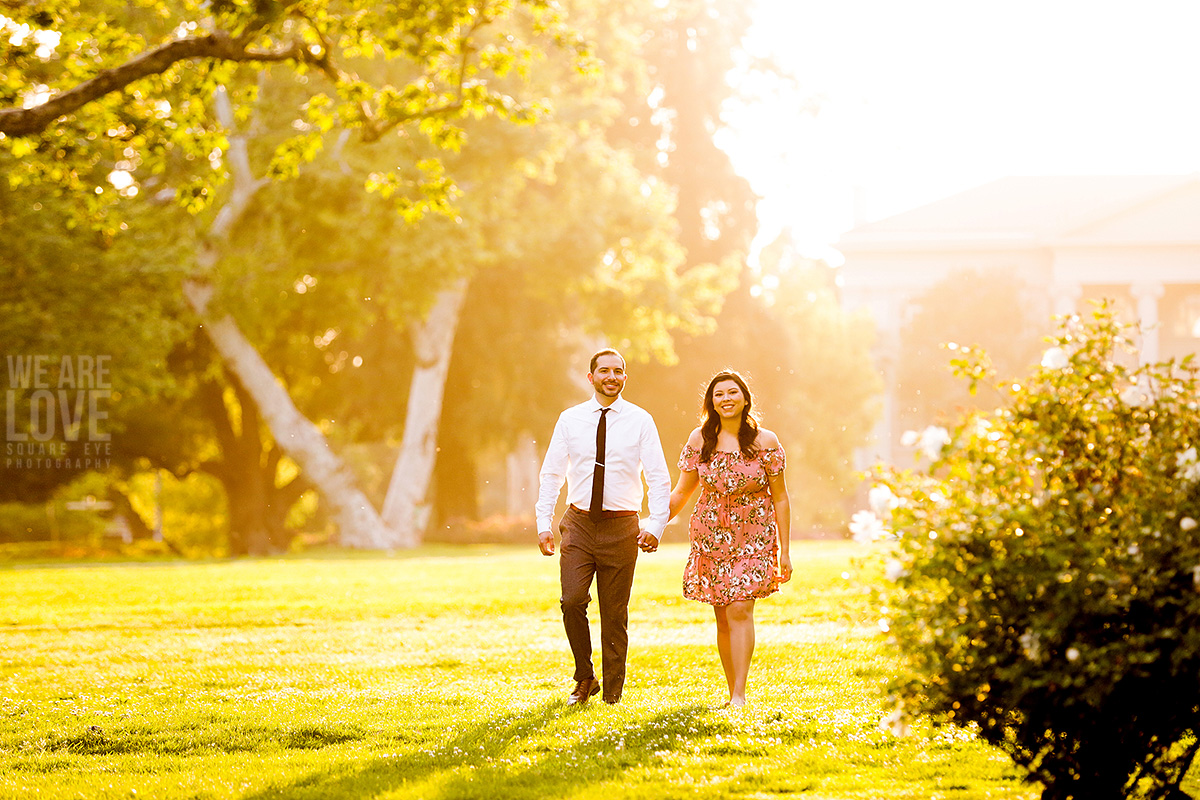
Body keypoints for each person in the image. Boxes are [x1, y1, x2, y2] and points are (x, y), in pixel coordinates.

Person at [536, 348, 671, 706]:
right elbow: (552, 473)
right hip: (578, 524)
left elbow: (658, 477)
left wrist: (655, 524)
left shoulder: (641, 420)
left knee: (614, 614)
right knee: (572, 600)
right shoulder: (570, 419)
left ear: (625, 378)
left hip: (622, 527)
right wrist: (542, 521)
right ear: (591, 377)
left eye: (618, 371)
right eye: (604, 371)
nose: (611, 377)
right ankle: (585, 677)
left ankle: (613, 694)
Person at [668, 370, 792, 707]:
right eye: (719, 394)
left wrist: (785, 551)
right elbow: (682, 491)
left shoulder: (766, 441)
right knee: (722, 614)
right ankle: (731, 689)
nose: (726, 399)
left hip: (754, 534)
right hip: (710, 537)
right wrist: (652, 524)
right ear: (711, 401)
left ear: (745, 398)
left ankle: (740, 694)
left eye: (733, 392)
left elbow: (780, 497)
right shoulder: (700, 440)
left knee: (740, 609)